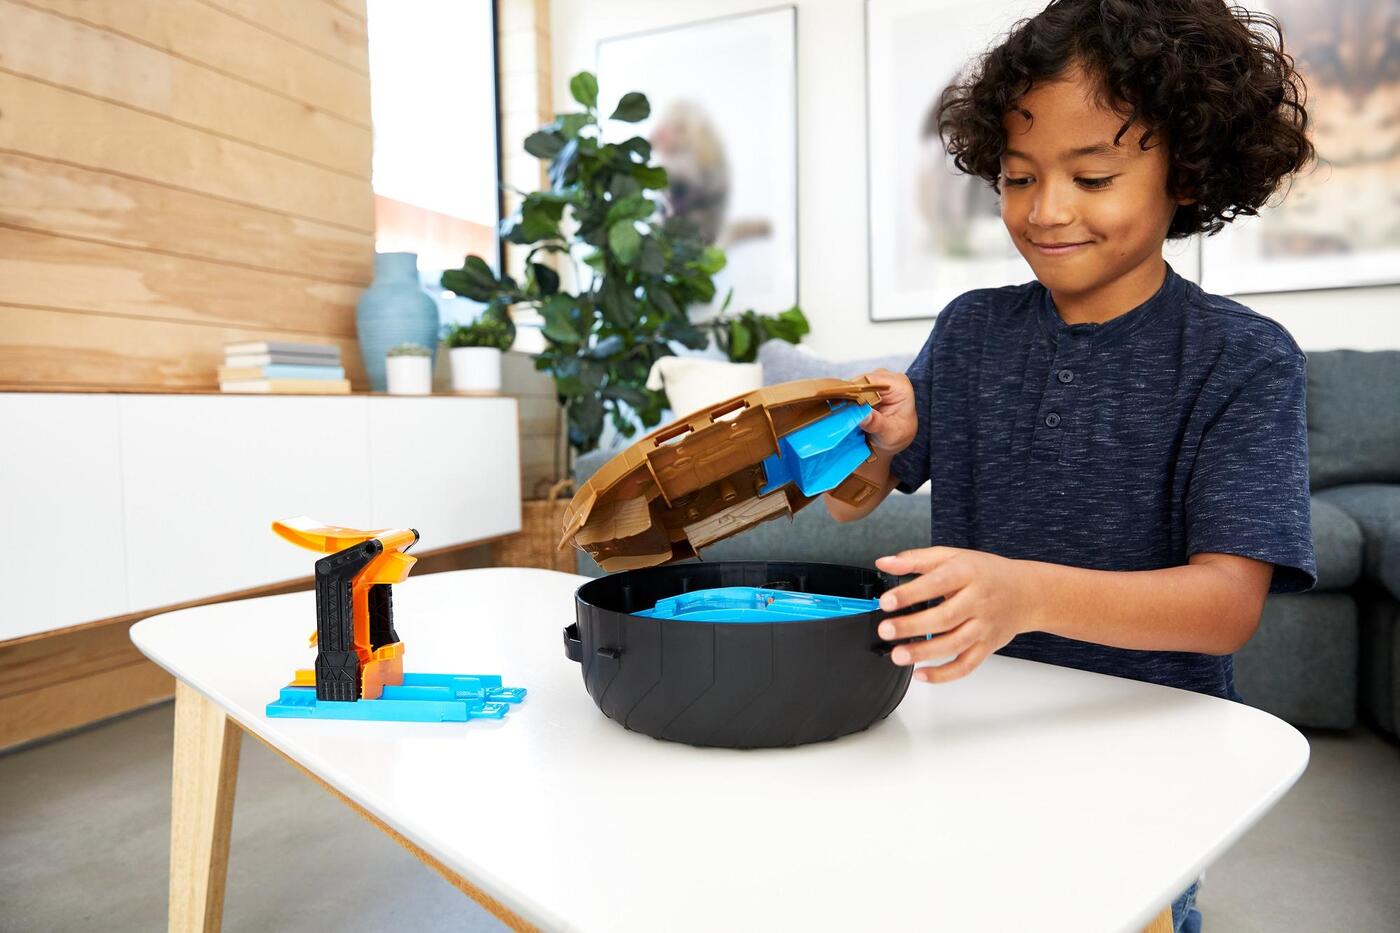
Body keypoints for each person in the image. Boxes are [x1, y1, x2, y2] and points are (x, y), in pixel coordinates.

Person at [825, 2, 1318, 930]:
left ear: (1186, 172)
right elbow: (855, 503)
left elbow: (1227, 606)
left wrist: (1025, 594)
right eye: (1018, 177)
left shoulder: (1243, 358)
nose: (1045, 210)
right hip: (973, 727)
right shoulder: (971, 330)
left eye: (1093, 177)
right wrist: (875, 446)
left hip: (1148, 759)